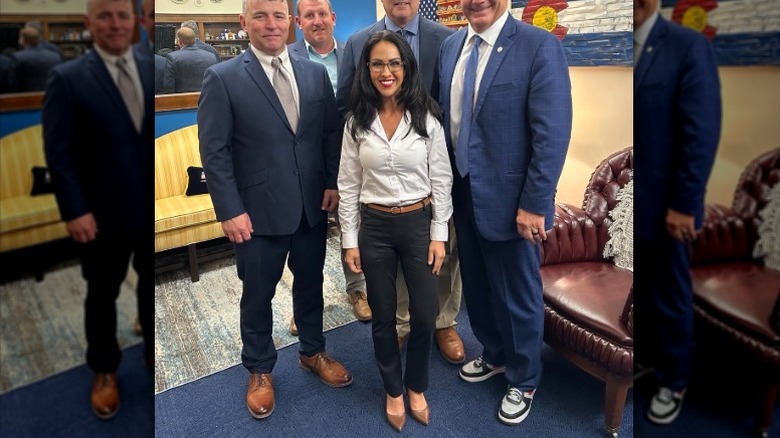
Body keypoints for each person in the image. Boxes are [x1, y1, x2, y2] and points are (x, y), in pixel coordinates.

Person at [198, 0, 351, 420]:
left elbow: (327, 135)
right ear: (243, 22)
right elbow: (215, 152)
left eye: (278, 15)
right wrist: (229, 210)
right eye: (261, 16)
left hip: (310, 207)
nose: (271, 24)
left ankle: (313, 352)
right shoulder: (223, 77)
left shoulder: (315, 73)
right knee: (258, 294)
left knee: (311, 285)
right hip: (256, 213)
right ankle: (261, 369)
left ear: (291, 22)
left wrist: (332, 182)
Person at [438, 0, 571, 425]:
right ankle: (494, 355)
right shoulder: (451, 45)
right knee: (476, 285)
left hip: (514, 201)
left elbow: (552, 132)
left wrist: (535, 203)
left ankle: (524, 378)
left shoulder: (537, 45)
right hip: (463, 192)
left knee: (517, 294)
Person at [42, 0, 154, 420]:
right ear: (89, 22)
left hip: (147, 213)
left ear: (134, 21)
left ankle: (150, 350)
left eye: (123, 15)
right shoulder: (67, 78)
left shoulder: (147, 66)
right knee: (102, 294)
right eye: (105, 15)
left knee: (148, 284)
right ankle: (104, 370)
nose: (115, 24)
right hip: (100, 216)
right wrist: (74, 210)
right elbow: (60, 154)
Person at [337, 0, 465, 365]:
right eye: (380, 64)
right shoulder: (359, 41)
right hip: (376, 168)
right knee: (389, 270)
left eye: (394, 63)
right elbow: (348, 103)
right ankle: (399, 325)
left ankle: (443, 322)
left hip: (429, 168)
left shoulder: (447, 39)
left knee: (439, 257)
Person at [339, 30, 452, 432]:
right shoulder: (356, 123)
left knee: (424, 314)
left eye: (394, 63)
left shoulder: (426, 118)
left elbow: (441, 180)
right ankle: (392, 389)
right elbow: (348, 186)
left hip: (420, 224)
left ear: (406, 67)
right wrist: (349, 240)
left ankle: (416, 385)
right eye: (377, 64)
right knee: (383, 316)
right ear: (366, 70)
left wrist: (439, 233)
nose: (386, 72)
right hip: (375, 228)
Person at [633, 0, 721, 425]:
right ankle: (649, 362)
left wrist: (686, 205)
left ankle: (675, 380)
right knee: (646, 295)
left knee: (670, 297)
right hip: (636, 205)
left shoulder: (687, 47)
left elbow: (701, 132)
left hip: (670, 210)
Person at [286, 0, 370, 337]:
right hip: (306, 163)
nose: (317, 21)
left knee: (356, 225)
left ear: (333, 19)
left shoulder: (356, 53)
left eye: (323, 14)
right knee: (305, 238)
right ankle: (304, 307)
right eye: (309, 15)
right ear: (298, 21)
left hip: (355, 158)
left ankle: (358, 289)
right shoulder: (288, 59)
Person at [163, 27, 218, 93]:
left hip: (182, 100)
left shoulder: (173, 57)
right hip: (207, 98)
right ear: (194, 40)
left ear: (179, 41)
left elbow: (169, 86)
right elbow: (215, 80)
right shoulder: (211, 56)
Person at [12, 27, 62, 92]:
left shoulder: (18, 57)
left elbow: (13, 84)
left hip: (26, 97)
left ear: (23, 40)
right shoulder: (55, 56)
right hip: (51, 94)